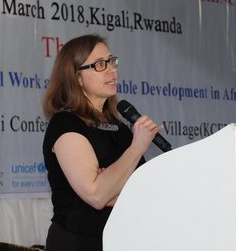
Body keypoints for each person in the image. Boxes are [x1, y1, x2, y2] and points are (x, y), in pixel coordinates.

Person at [42, 34, 161, 251]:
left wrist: (112, 185)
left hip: (121, 241)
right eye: (99, 64)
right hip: (78, 242)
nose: (111, 69)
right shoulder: (65, 124)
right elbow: (97, 195)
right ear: (76, 77)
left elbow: (141, 192)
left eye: (111, 61)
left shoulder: (121, 128)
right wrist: (136, 148)